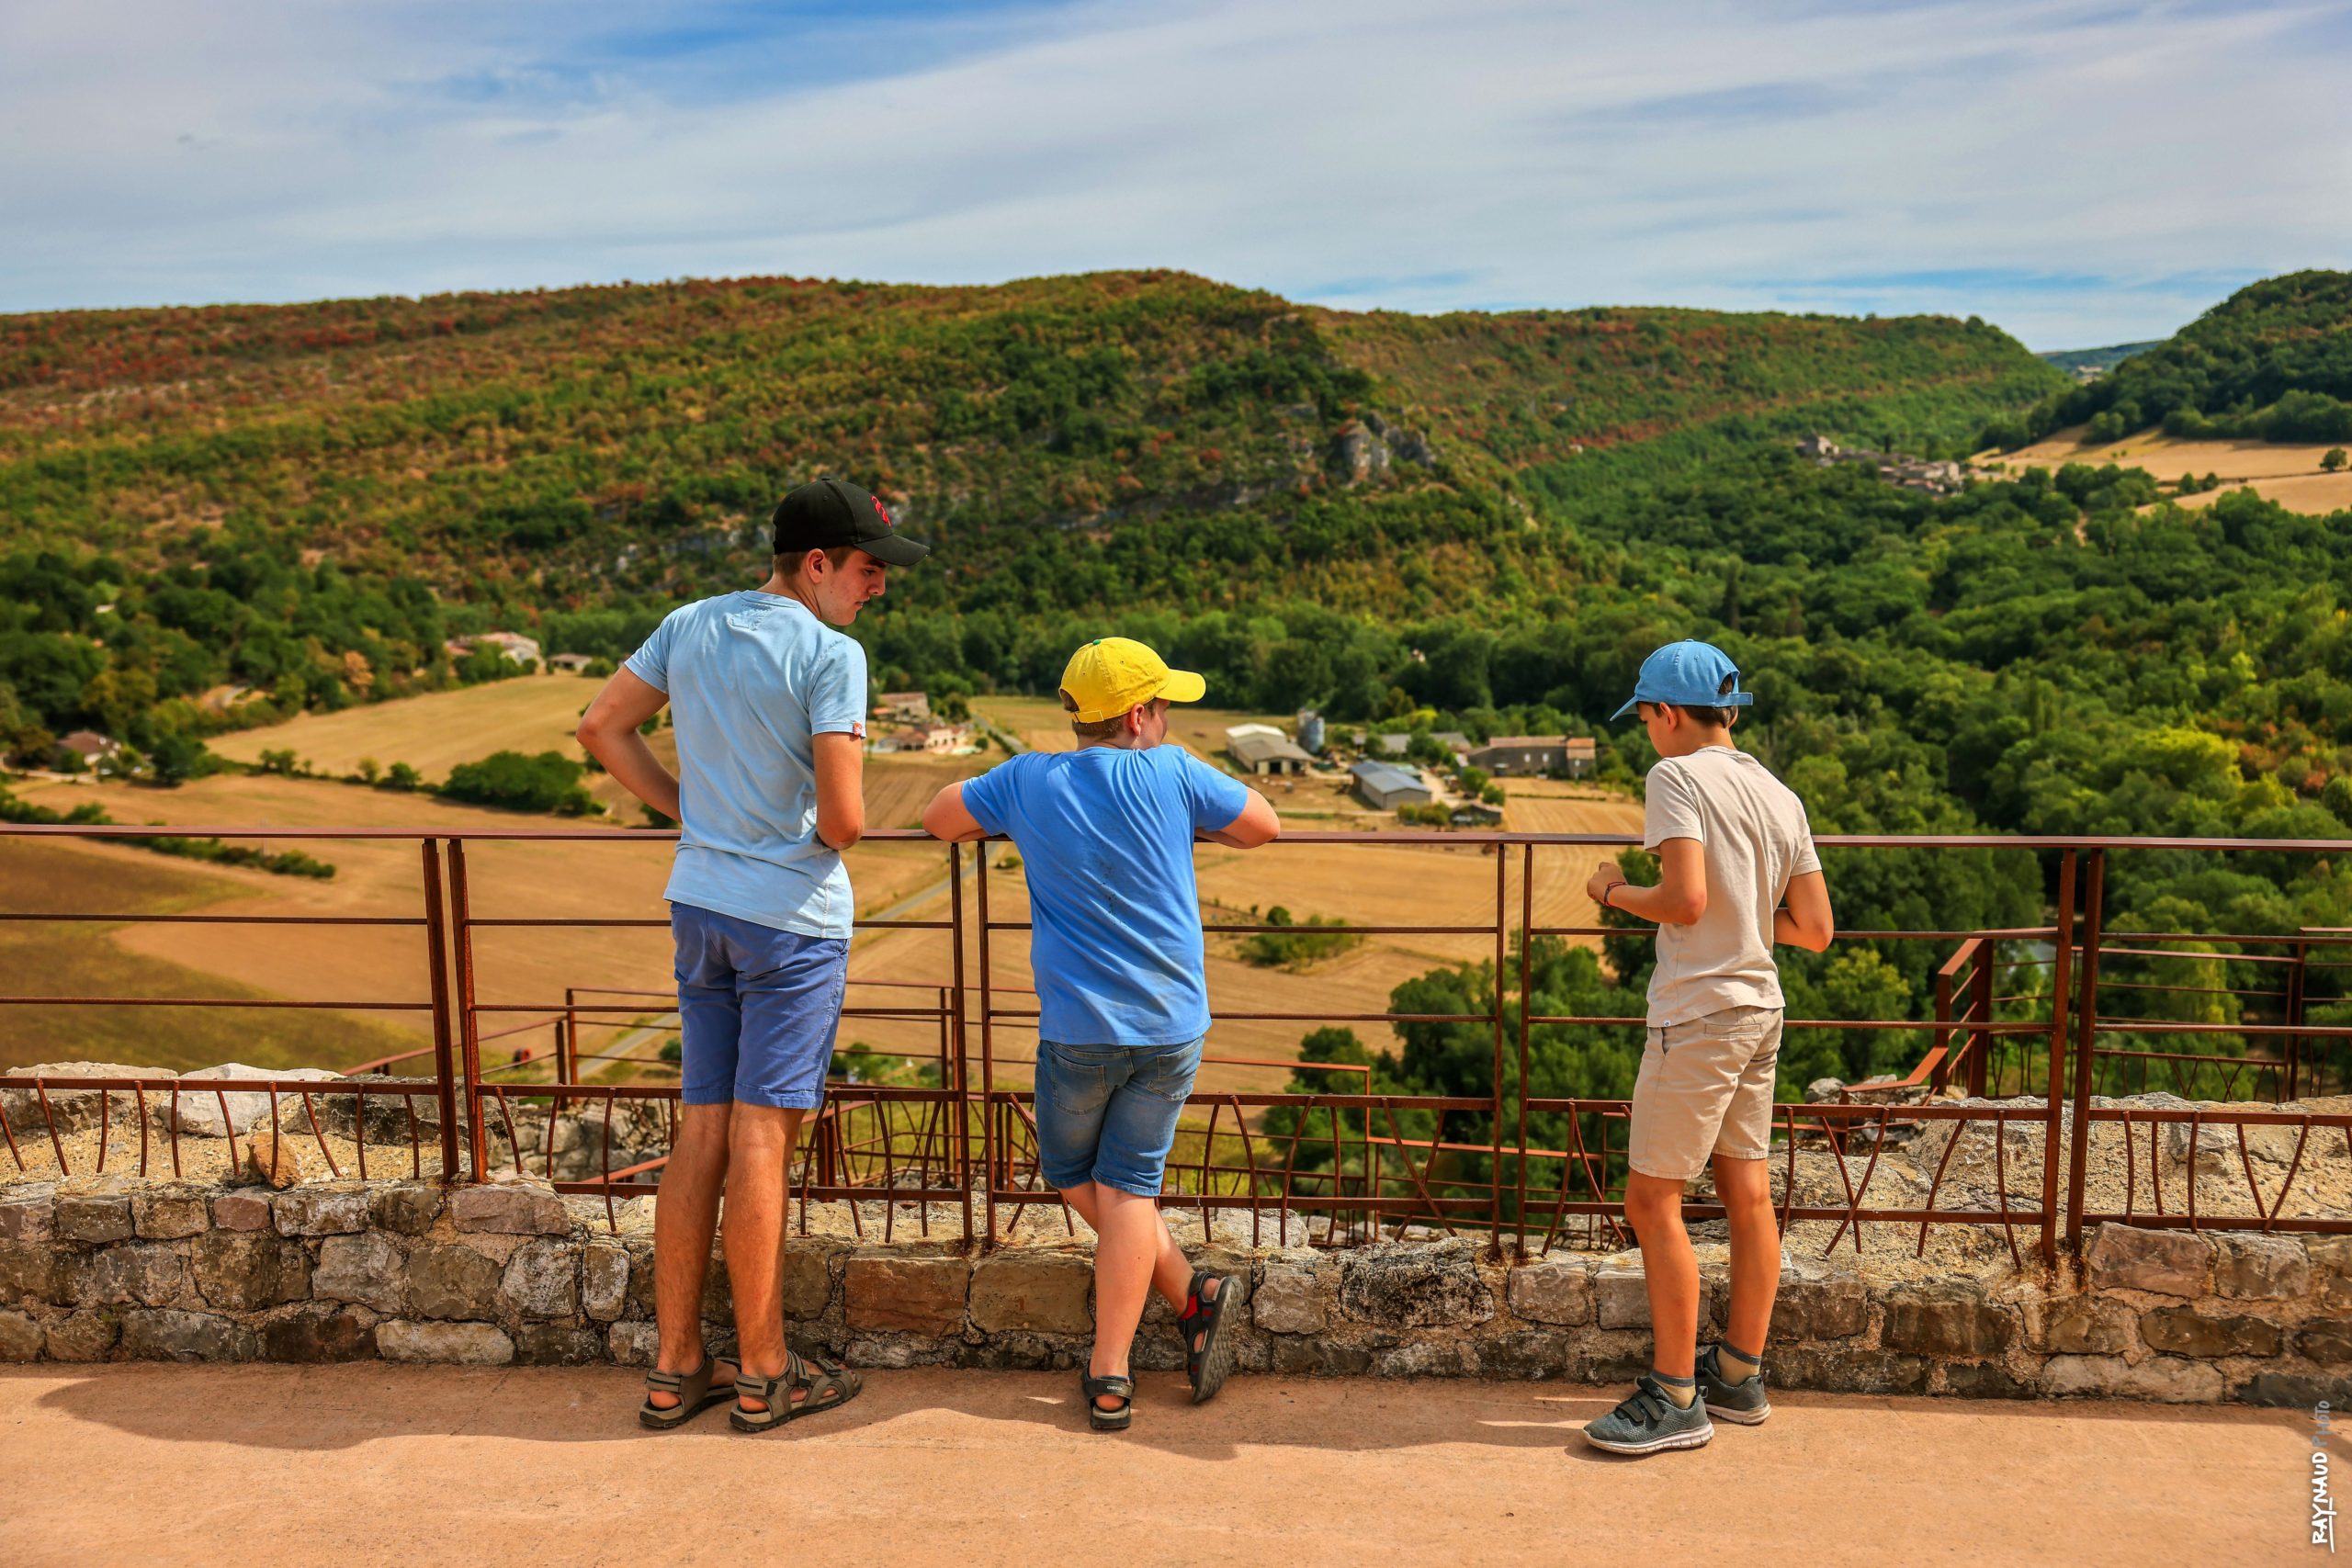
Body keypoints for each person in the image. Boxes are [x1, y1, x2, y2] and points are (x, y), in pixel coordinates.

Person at [576, 475, 929, 1433]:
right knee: (764, 1140)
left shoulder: (689, 623)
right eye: (865, 570)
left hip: (700, 906)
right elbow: (848, 823)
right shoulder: (831, 654)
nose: (876, 588)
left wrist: (687, 810)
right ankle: (767, 1372)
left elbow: (601, 727)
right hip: (790, 920)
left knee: (701, 1134)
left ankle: (675, 1366)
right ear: (816, 565)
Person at [922, 637, 1281, 1432]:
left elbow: (939, 816)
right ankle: (1177, 1309)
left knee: (1077, 1176)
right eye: (1163, 706)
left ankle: (1130, 1352)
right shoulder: (1175, 772)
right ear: (1140, 714)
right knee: (1128, 1188)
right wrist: (1192, 822)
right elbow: (1264, 824)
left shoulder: (1027, 779)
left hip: (1077, 1028)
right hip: (1170, 1024)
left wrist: (1013, 811)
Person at [1579, 639, 1835, 1457]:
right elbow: (1817, 930)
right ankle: (1737, 1372)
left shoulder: (1676, 778)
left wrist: (1611, 890)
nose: (1647, 733)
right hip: (1762, 1006)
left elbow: (1684, 899)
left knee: (1651, 1201)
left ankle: (1674, 1396)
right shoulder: (1777, 790)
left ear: (1666, 712)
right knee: (1747, 1196)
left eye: (1646, 717)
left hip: (1698, 1014)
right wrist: (1746, 925)